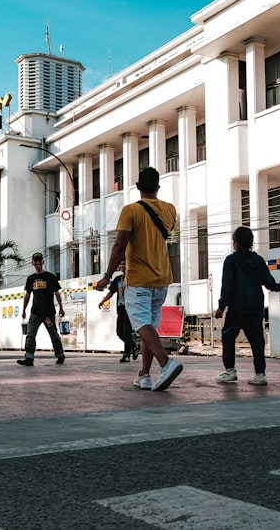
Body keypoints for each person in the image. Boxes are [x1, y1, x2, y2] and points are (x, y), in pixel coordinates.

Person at [96, 167, 182, 392]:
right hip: (162, 278)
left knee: (142, 325)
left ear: (137, 187)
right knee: (150, 328)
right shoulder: (170, 210)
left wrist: (107, 276)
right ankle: (144, 374)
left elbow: (119, 245)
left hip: (139, 279)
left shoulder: (131, 211)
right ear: (158, 187)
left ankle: (166, 363)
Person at [214, 226, 280, 386]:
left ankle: (230, 371)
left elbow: (227, 285)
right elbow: (268, 282)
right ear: (251, 243)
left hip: (237, 307)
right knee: (257, 341)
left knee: (228, 337)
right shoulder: (258, 260)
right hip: (255, 308)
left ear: (236, 243)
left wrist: (221, 306)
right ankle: (260, 374)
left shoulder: (231, 261)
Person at [17, 252, 66, 366]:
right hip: (35, 312)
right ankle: (29, 358)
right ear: (32, 263)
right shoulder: (30, 279)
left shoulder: (50, 277)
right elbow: (27, 295)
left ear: (43, 262)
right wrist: (24, 310)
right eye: (36, 262)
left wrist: (61, 308)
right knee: (30, 335)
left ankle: (60, 355)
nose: (38, 264)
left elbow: (57, 293)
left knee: (53, 335)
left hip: (48, 312)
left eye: (40, 262)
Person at [99, 262, 136, 363]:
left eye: (125, 264)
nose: (122, 266)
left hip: (130, 308)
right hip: (120, 308)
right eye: (121, 264)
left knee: (126, 331)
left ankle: (126, 355)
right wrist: (103, 301)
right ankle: (133, 346)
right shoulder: (117, 279)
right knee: (119, 332)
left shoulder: (133, 278)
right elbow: (111, 292)